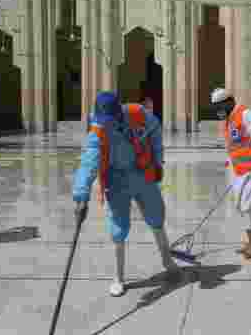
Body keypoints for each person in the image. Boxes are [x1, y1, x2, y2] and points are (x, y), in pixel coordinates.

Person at [73, 91, 182, 297]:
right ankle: (118, 277)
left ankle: (167, 260)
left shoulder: (138, 114)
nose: (107, 124)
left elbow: (155, 130)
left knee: (156, 217)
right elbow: (89, 162)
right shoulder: (97, 130)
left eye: (110, 120)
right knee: (118, 228)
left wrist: (158, 161)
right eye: (103, 121)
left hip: (143, 174)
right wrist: (81, 195)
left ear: (118, 113)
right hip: (117, 181)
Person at [211, 88, 251, 259]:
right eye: (215, 107)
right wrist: (229, 164)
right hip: (238, 171)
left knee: (248, 207)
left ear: (230, 101)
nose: (218, 110)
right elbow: (234, 145)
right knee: (242, 206)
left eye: (220, 106)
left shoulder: (245, 114)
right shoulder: (228, 120)